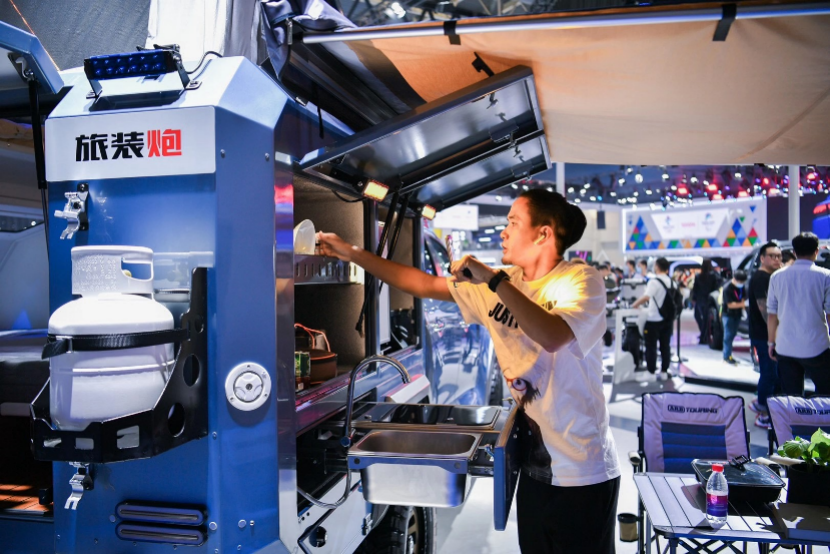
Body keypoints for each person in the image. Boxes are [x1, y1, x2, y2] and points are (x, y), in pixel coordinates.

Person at [317, 190, 620, 553]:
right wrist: (351, 252)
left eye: (513, 222)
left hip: (584, 471)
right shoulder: (500, 286)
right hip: (536, 468)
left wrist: (494, 280)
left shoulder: (581, 280)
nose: (504, 231)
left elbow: (553, 336)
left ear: (543, 234)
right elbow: (421, 283)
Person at [767, 232, 830, 396]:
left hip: (785, 347)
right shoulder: (825, 277)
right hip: (817, 347)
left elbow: (772, 314)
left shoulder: (776, 277)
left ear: (794, 252)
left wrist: (771, 342)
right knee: (825, 395)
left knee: (791, 398)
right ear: (816, 251)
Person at [748, 242, 782, 429]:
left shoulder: (770, 277)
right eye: (772, 256)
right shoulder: (761, 278)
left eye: (779, 256)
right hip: (764, 335)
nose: (777, 259)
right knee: (769, 373)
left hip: (768, 334)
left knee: (771, 373)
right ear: (762, 258)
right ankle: (764, 412)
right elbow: (765, 311)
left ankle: (764, 407)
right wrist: (773, 335)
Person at [631, 257, 674, 380]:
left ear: (657, 267)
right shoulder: (671, 282)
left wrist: (634, 304)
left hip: (653, 318)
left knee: (651, 346)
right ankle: (664, 372)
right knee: (665, 346)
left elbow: (646, 297)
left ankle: (651, 373)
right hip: (667, 319)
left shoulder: (654, 281)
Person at [721, 270, 748, 365]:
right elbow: (730, 305)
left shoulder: (741, 287)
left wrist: (743, 307)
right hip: (728, 315)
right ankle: (726, 357)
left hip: (737, 314)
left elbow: (743, 297)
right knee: (728, 336)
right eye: (740, 281)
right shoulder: (727, 288)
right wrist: (743, 304)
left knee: (732, 335)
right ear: (735, 279)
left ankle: (729, 355)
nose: (741, 283)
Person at [692, 259, 720, 344]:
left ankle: (703, 335)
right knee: (706, 319)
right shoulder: (714, 275)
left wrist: (694, 299)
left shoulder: (698, 276)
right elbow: (716, 288)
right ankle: (704, 336)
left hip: (700, 300)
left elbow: (695, 289)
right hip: (709, 300)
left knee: (698, 317)